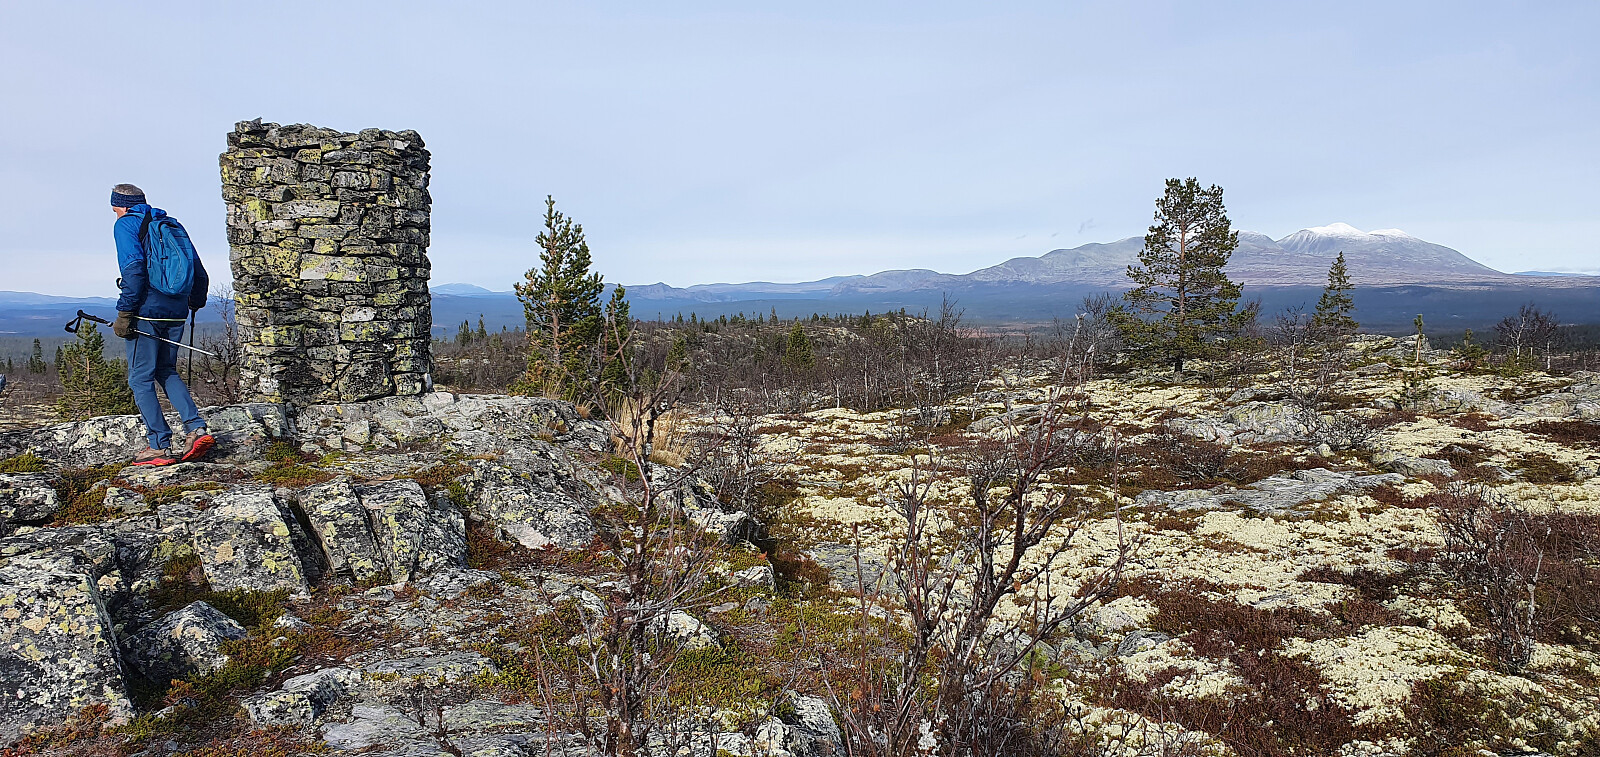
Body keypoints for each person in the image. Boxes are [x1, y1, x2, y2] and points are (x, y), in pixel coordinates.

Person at [111, 183, 215, 466]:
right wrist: (194, 301)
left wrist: (125, 313)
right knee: (165, 369)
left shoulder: (126, 225)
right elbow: (198, 269)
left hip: (147, 309)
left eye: (114, 209)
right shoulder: (171, 224)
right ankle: (196, 429)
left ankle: (159, 445)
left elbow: (133, 269)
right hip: (177, 308)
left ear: (120, 206)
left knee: (140, 378)